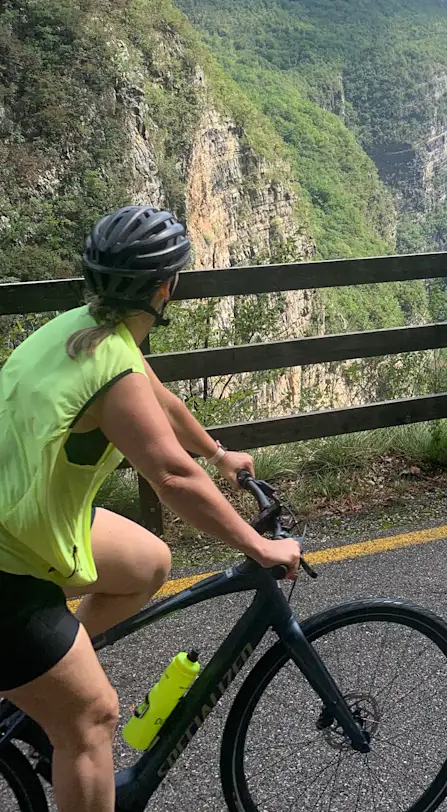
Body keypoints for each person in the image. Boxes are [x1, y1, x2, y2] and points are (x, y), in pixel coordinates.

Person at [0, 205, 301, 812]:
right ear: (167, 288)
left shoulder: (84, 329)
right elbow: (170, 477)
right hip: (7, 565)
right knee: (93, 717)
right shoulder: (110, 364)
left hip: (21, 519)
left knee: (148, 563)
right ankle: (59, 705)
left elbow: (157, 398)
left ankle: (33, 687)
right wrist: (259, 545)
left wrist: (218, 453)